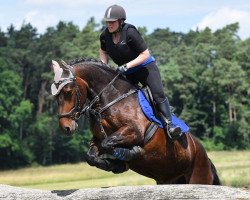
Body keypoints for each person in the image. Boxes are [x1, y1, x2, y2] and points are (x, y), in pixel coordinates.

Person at [99, 4, 181, 140]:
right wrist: (103, 67)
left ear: (120, 21)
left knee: (157, 95)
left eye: (112, 22)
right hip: (128, 72)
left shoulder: (130, 32)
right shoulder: (104, 36)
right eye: (107, 22)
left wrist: (127, 66)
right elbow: (103, 52)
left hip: (145, 68)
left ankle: (169, 125)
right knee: (119, 98)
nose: (109, 24)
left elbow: (145, 54)